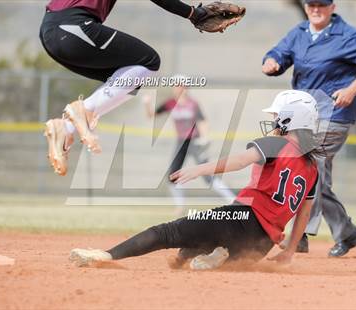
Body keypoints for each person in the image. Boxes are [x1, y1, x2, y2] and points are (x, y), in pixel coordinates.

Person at [69, 90, 320, 270]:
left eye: (278, 116)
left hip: (240, 219)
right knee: (186, 257)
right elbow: (304, 214)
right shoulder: (313, 167)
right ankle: (220, 254)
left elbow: (240, 161)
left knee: (167, 232)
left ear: (291, 118)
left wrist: (200, 169)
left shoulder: (276, 143)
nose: (274, 120)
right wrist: (288, 250)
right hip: (263, 243)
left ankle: (105, 255)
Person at [39, 0, 241, 176]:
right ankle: (82, 110)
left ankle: (65, 128)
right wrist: (193, 13)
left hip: (53, 33)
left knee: (129, 77)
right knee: (149, 61)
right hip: (71, 27)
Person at [262, 0, 356, 257]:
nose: (316, 9)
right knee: (317, 177)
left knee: (310, 169)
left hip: (334, 114)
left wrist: (352, 90)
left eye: (322, 4)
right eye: (311, 4)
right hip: (304, 116)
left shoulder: (348, 35)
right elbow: (279, 53)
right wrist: (272, 61)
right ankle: (346, 232)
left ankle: (301, 235)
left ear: (332, 7)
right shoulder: (299, 32)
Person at [144, 83, 235, 214]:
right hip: (181, 142)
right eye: (176, 86)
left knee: (208, 175)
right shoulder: (170, 103)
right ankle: (180, 206)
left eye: (181, 86)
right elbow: (151, 115)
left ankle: (233, 201)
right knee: (173, 175)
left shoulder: (193, 103)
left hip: (195, 141)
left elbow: (202, 121)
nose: (178, 89)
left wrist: (205, 138)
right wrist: (147, 103)